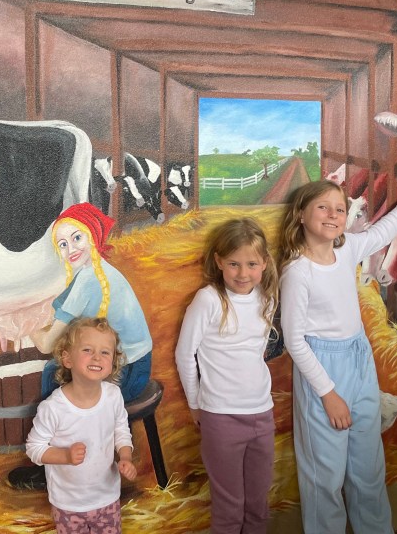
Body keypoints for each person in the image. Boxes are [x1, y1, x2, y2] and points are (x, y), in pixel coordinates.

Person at [278, 179, 397, 534]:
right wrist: (328, 394)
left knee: (368, 470)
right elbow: (295, 341)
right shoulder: (298, 271)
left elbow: (380, 233)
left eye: (340, 209)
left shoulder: (346, 249)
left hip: (359, 360)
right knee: (324, 477)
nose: (333, 214)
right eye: (323, 207)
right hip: (323, 369)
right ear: (301, 214)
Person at [175, 217, 280, 534]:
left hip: (262, 414)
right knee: (229, 509)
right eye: (234, 264)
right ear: (219, 261)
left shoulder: (267, 298)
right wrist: (195, 404)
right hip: (221, 417)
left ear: (264, 263)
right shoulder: (208, 299)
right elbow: (185, 354)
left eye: (251, 264)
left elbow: (257, 351)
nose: (243, 273)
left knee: (258, 506)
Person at [25, 317, 138, 534]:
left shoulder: (113, 396)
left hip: (107, 497)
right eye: (87, 349)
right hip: (68, 504)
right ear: (67, 358)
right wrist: (65, 456)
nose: (97, 357)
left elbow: (121, 430)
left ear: (113, 361)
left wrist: (125, 457)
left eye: (105, 352)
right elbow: (34, 448)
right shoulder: (54, 408)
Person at [31, 202, 153, 402]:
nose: (71, 249)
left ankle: (56, 420)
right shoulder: (96, 270)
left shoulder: (89, 279)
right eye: (63, 244)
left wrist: (24, 327)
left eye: (77, 238)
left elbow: (46, 345)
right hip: (136, 365)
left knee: (52, 370)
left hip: (126, 373)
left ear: (92, 235)